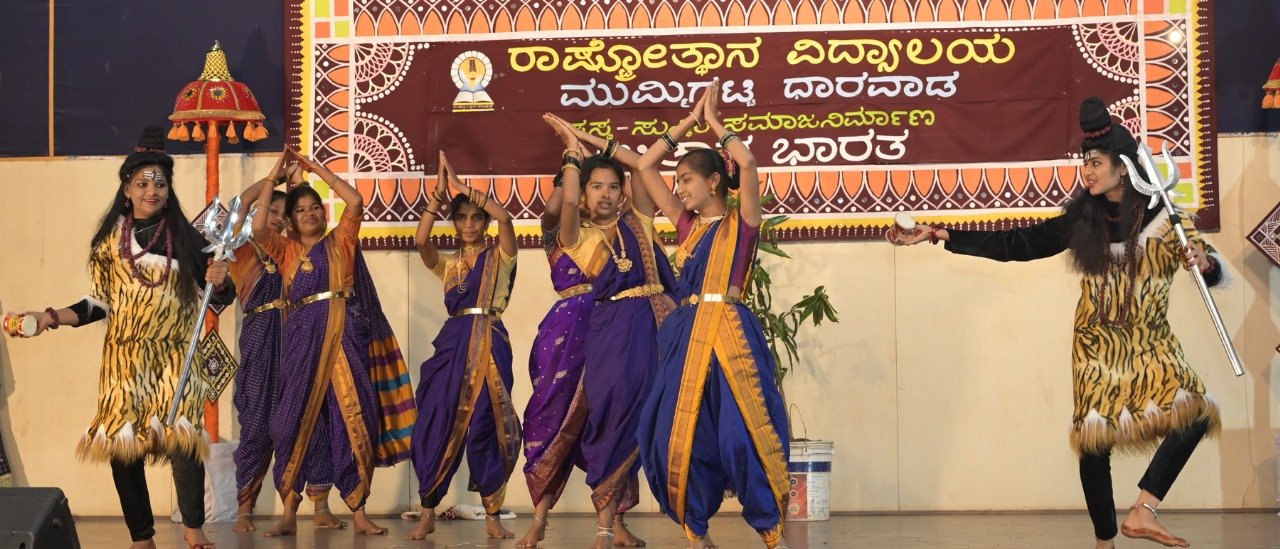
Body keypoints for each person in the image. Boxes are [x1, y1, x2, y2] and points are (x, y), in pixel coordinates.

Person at [888, 97, 1224, 549]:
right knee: (1094, 440)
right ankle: (1105, 542)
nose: (1087, 172)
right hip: (1095, 341)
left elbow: (1210, 267)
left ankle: (1143, 510)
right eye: (1085, 163)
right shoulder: (1081, 219)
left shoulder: (1166, 219)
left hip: (1150, 340)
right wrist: (942, 234)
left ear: (1122, 168)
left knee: (1195, 413)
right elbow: (1016, 243)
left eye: (1097, 163)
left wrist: (1202, 262)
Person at [20, 126, 231, 549]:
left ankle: (193, 529)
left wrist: (221, 280)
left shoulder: (188, 240)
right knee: (122, 445)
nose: (152, 190)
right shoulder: (107, 244)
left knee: (184, 441)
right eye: (143, 183)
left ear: (168, 191)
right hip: (125, 356)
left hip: (175, 355)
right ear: (127, 190)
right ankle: (142, 537)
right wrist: (49, 317)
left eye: (160, 182)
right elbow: (98, 303)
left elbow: (219, 297)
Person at [633, 80, 791, 549]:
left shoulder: (742, 222)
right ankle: (695, 531)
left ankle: (768, 527)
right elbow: (643, 165)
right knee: (675, 432)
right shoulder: (686, 225)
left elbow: (747, 162)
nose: (678, 189)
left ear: (714, 182)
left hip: (730, 336)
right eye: (677, 180)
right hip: (685, 336)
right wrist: (685, 122)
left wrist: (715, 123)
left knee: (740, 433)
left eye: (686, 179)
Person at [254, 150, 408, 536]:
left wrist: (313, 169)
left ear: (323, 212)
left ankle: (358, 512)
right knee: (289, 424)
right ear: (290, 219)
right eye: (300, 210)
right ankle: (289, 511)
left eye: (314, 207)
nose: (308, 214)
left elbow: (355, 201)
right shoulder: (285, 249)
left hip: (344, 340)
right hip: (301, 342)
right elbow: (257, 227)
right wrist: (275, 175)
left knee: (353, 419)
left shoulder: (341, 241)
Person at [545, 113, 676, 548]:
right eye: (596, 186)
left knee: (663, 417)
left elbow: (641, 163)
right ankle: (604, 527)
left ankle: (694, 524)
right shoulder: (576, 236)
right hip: (612, 329)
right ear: (582, 195)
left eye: (612, 186)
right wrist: (569, 151)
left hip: (660, 325)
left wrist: (588, 138)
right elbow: (564, 205)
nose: (606, 193)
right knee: (612, 419)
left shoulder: (638, 217)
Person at [408, 151, 520, 541]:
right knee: (435, 421)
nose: (469, 224)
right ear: (453, 222)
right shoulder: (449, 264)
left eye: (476, 217)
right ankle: (427, 511)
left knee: (484, 426)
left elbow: (507, 218)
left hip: (490, 340)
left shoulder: (501, 256)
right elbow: (421, 240)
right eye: (461, 217)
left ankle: (492, 514)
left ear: (485, 221)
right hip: (453, 344)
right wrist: (438, 197)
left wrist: (462, 187)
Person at [228, 154, 344, 532]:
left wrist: (294, 184)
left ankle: (320, 505)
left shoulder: (295, 249)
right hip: (262, 336)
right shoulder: (241, 249)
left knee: (313, 416)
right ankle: (245, 506)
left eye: (283, 212)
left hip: (299, 333)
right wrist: (269, 180)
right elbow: (240, 207)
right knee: (260, 424)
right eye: (271, 209)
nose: (278, 216)